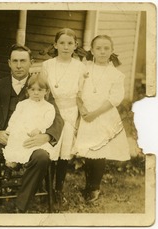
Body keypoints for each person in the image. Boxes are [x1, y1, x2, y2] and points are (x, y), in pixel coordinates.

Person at [0, 44, 64, 213]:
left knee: (42, 157)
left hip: (31, 140)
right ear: (8, 63)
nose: (18, 65)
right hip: (3, 137)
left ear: (31, 62)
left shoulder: (39, 86)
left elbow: (57, 117)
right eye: (14, 61)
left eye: (23, 61)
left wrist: (46, 136)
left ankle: (20, 206)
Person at [74, 35, 130, 202]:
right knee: (88, 151)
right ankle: (88, 186)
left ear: (112, 51)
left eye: (106, 48)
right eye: (98, 48)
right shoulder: (84, 69)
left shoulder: (116, 74)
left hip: (103, 115)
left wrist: (95, 113)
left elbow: (115, 98)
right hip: (86, 114)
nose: (102, 51)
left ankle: (94, 188)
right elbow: (76, 90)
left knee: (99, 151)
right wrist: (82, 109)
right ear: (92, 50)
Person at [41, 28, 87, 206]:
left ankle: (58, 189)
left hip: (69, 111)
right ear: (55, 44)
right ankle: (47, 189)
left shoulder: (80, 67)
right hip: (51, 111)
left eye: (70, 43)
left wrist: (79, 116)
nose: (66, 47)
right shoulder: (48, 65)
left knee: (63, 153)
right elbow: (44, 90)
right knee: (50, 149)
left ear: (75, 46)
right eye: (62, 43)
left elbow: (82, 92)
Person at [3, 74, 56, 167]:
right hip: (21, 130)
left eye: (40, 90)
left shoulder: (48, 107)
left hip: (34, 133)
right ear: (28, 90)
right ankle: (14, 160)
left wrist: (39, 129)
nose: (36, 93)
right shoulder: (22, 104)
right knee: (16, 138)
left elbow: (48, 121)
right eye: (33, 89)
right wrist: (9, 129)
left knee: (32, 145)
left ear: (46, 91)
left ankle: (26, 160)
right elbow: (14, 118)